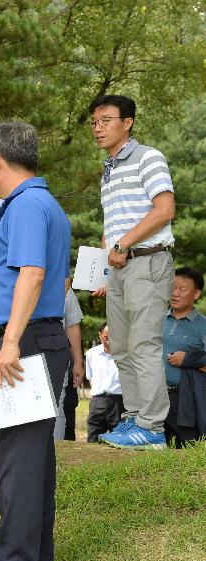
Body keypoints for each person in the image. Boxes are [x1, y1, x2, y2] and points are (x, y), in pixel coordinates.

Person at [0, 122, 71, 561]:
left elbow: (31, 273)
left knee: (17, 464)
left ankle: (11, 560)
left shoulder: (28, 204)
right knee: (30, 463)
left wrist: (10, 341)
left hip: (25, 341)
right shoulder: (39, 201)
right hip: (33, 337)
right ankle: (31, 558)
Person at [89, 95, 175, 450]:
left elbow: (164, 209)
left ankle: (152, 428)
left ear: (128, 123)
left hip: (148, 260)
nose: (98, 128)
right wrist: (104, 273)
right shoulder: (108, 169)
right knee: (120, 348)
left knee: (143, 345)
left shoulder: (148, 157)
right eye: (94, 122)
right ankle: (136, 419)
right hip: (122, 268)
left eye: (106, 120)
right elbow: (112, 226)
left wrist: (122, 246)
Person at [162, 267, 206, 447]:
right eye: (172, 288)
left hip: (185, 400)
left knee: (188, 449)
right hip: (152, 397)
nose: (175, 293)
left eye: (182, 289)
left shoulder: (203, 325)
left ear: (196, 294)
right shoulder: (155, 320)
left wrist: (188, 359)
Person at [54, 283, 85, 441]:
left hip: (56, 350)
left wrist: (78, 361)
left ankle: (55, 452)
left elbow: (72, 324)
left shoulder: (64, 286)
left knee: (57, 406)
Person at [85, 322, 124, 442]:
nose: (109, 342)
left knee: (119, 438)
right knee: (93, 437)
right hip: (98, 401)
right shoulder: (91, 354)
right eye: (106, 338)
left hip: (119, 401)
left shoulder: (125, 355)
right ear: (100, 335)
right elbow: (90, 377)